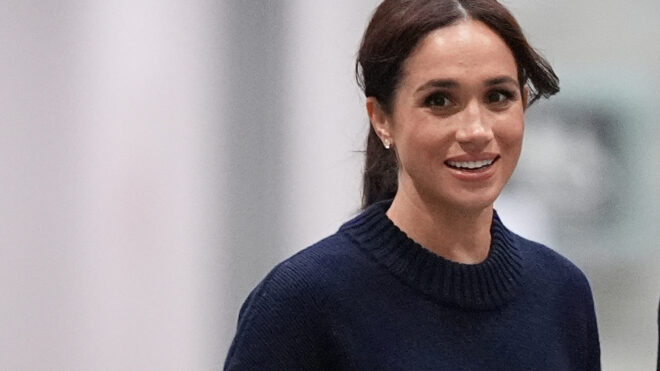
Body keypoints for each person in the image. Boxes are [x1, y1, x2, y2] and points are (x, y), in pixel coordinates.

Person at [224, 0, 600, 369]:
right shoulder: (303, 303)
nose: (476, 131)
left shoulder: (562, 293)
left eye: (498, 97)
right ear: (381, 119)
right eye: (440, 101)